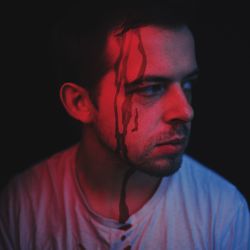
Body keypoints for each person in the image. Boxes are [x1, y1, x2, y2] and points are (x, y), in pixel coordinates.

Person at [1, 2, 249, 249]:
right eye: (150, 88)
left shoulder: (222, 212)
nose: (186, 111)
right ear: (80, 103)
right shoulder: (22, 205)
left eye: (187, 85)